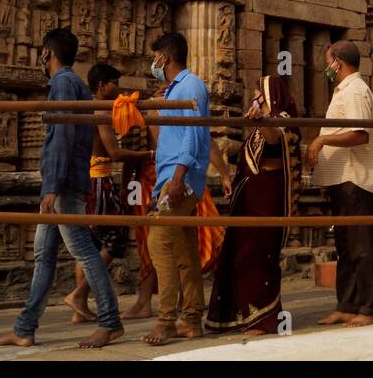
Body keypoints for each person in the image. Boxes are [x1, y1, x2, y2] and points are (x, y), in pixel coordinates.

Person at [0, 29, 123, 350]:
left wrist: (51, 188)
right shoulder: (71, 83)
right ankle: (25, 327)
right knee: (44, 256)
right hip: (62, 183)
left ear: (46, 53)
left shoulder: (63, 83)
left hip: (61, 187)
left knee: (85, 253)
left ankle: (110, 322)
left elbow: (62, 137)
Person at [207, 74, 301, 335]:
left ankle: (263, 318)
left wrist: (263, 122)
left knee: (258, 253)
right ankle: (242, 314)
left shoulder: (282, 122)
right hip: (249, 195)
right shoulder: (261, 125)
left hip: (267, 196)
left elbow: (275, 139)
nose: (255, 98)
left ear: (271, 95)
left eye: (259, 93)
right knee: (240, 253)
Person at [65, 63, 154, 324]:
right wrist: (148, 154)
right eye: (114, 82)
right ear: (102, 85)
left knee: (89, 244)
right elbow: (114, 153)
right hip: (99, 181)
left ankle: (77, 311)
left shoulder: (85, 106)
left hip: (86, 179)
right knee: (116, 240)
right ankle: (79, 295)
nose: (119, 88)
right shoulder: (101, 108)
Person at [138, 32, 212, 345]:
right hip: (172, 177)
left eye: (154, 56)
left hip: (179, 180)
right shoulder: (175, 91)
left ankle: (167, 319)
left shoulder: (191, 85)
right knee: (184, 252)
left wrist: (178, 178)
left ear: (164, 57)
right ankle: (192, 319)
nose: (153, 62)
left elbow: (194, 136)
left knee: (158, 241)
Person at [307, 41, 373, 327]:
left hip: (356, 178)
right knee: (346, 247)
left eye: (328, 62)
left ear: (337, 62)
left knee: (361, 247)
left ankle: (371, 307)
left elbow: (360, 134)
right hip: (341, 179)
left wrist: (323, 139)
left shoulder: (355, 91)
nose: (326, 68)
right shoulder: (344, 90)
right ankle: (347, 304)